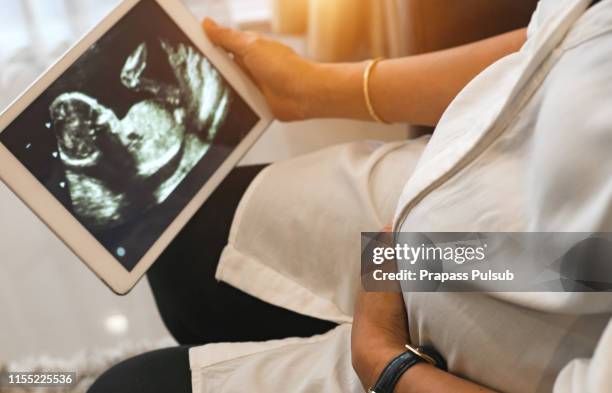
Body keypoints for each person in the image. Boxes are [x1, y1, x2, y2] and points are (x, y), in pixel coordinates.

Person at [89, 0, 612, 392]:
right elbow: (545, 47)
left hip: (506, 352)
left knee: (127, 387)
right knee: (181, 243)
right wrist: (317, 88)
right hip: (528, 249)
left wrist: (387, 367)